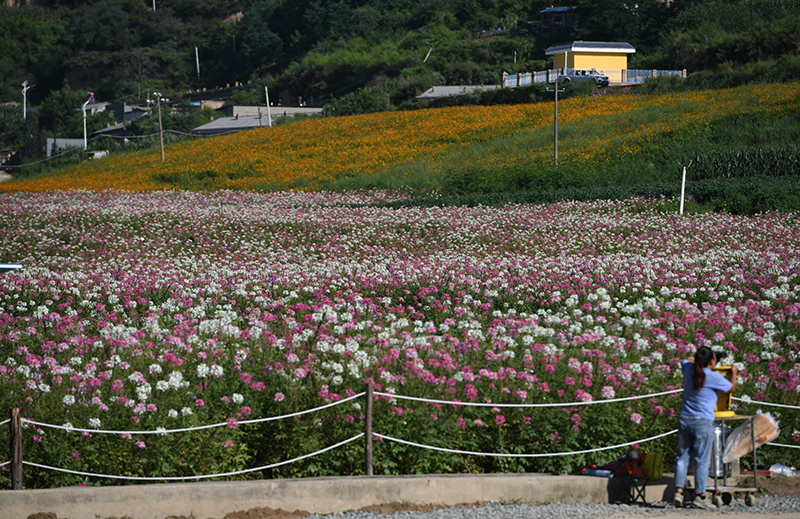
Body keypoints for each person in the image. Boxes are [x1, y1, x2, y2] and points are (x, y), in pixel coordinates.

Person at [673, 346, 738, 510]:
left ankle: (678, 492)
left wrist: (700, 360)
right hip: (703, 421)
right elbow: (731, 388)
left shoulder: (688, 368)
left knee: (682, 456)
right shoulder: (714, 376)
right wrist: (734, 373)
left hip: (684, 418)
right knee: (701, 460)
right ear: (711, 361)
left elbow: (686, 360)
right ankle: (700, 495)